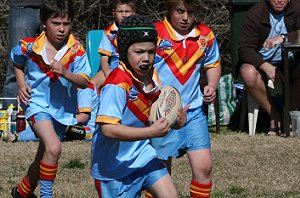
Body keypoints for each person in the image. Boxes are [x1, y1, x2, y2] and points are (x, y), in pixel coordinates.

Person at [90, 15, 188, 198]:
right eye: (139, 52)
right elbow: (108, 130)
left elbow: (154, 114)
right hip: (113, 168)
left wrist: (175, 121)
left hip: (144, 156)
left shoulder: (152, 75)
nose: (146, 58)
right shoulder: (116, 84)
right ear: (124, 50)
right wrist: (150, 132)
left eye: (151, 52)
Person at [10, 0, 91, 197]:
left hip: (62, 109)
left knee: (45, 156)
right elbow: (16, 61)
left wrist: (66, 73)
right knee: (54, 147)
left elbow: (84, 82)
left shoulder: (76, 50)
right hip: (36, 104)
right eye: (56, 23)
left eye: (66, 23)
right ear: (44, 23)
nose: (62, 29)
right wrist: (21, 85)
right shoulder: (30, 46)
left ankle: (21, 193)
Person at [150, 0, 221, 197]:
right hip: (162, 112)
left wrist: (211, 86)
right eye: (179, 11)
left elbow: (213, 64)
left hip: (194, 111)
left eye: (191, 12)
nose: (185, 17)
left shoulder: (205, 35)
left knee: (204, 166)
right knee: (159, 172)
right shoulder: (154, 32)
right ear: (169, 10)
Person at [238, 0, 300, 135]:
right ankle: (274, 115)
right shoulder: (256, 13)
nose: (279, 0)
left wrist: (283, 38)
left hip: (291, 62)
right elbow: (244, 49)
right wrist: (266, 67)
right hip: (262, 63)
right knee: (247, 72)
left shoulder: (297, 8)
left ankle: (288, 115)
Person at [0, 83, 98, 143]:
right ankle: (16, 136)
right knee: (44, 122)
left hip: (87, 129)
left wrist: (60, 119)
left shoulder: (84, 87)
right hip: (68, 123)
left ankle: (16, 137)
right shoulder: (65, 86)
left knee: (54, 126)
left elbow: (84, 117)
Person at [3, 0, 43, 103]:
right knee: (15, 65)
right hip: (22, 5)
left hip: (55, 7)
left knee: (58, 61)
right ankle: (12, 112)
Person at [91, 0, 136, 90]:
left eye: (127, 11)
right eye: (120, 11)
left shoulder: (139, 30)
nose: (124, 15)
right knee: (90, 86)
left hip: (134, 67)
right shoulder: (109, 32)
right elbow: (104, 59)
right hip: (113, 68)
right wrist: (109, 76)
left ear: (133, 12)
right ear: (114, 13)